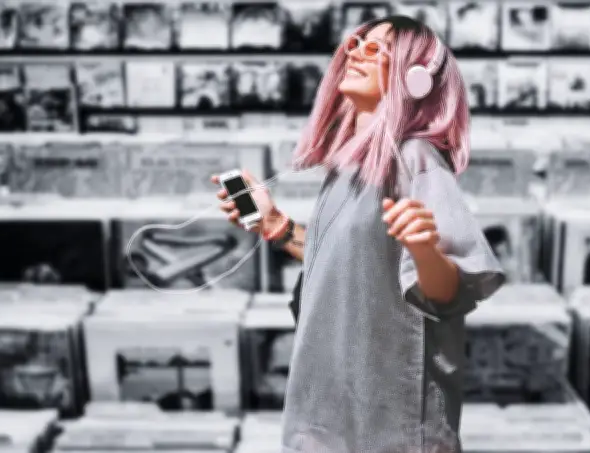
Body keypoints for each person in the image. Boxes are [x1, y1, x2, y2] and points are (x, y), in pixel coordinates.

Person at [212, 15, 504, 452]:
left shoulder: (415, 157)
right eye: (355, 44)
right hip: (334, 407)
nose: (357, 53)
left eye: (377, 49)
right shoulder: (349, 166)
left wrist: (424, 250)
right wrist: (276, 226)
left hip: (387, 422)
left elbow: (449, 294)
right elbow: (350, 263)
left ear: (417, 76)